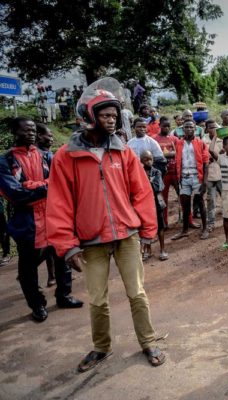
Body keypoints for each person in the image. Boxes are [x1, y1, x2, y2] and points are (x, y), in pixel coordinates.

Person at [47, 87, 165, 371]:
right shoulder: (66, 156)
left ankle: (148, 341)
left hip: (127, 236)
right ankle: (101, 347)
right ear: (90, 116)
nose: (112, 120)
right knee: (97, 299)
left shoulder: (122, 151)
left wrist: (148, 229)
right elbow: (59, 202)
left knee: (137, 293)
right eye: (106, 115)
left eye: (114, 115)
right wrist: (67, 244)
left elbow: (141, 192)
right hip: (91, 241)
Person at [0, 117, 83, 322]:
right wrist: (46, 186)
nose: (31, 134)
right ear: (15, 132)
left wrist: (31, 185)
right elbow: (16, 193)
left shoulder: (47, 156)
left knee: (62, 259)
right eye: (25, 130)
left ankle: (64, 296)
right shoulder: (6, 160)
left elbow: (62, 182)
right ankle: (37, 304)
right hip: (26, 222)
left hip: (53, 217)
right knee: (28, 268)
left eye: (33, 130)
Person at [171, 120, 209, 241]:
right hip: (184, 178)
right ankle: (185, 230)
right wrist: (177, 180)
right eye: (186, 127)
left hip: (197, 177)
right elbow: (177, 161)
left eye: (191, 127)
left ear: (195, 129)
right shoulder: (179, 143)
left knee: (200, 202)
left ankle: (205, 228)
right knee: (185, 204)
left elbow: (206, 163)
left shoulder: (200, 143)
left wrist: (204, 182)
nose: (188, 129)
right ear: (183, 129)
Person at [35, 123, 57, 286]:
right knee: (49, 244)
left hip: (51, 203)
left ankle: (53, 276)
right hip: (43, 205)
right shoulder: (39, 156)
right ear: (38, 136)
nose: (51, 138)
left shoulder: (48, 154)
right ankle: (28, 269)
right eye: (48, 135)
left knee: (51, 244)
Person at [140, 151, 168, 261]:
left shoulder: (156, 172)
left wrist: (146, 183)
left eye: (150, 159)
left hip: (157, 203)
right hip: (145, 205)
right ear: (141, 161)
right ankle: (148, 250)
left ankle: (162, 249)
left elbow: (158, 187)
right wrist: (149, 182)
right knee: (146, 227)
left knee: (160, 227)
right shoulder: (139, 172)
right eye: (146, 159)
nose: (149, 161)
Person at [153, 117, 178, 228]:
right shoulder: (154, 140)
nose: (167, 128)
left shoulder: (174, 139)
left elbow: (179, 153)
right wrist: (171, 153)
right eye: (164, 126)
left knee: (183, 196)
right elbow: (155, 156)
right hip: (162, 173)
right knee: (163, 199)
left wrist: (165, 154)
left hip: (175, 171)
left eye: (168, 126)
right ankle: (164, 223)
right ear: (160, 126)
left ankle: (189, 220)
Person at [202, 119, 222, 233]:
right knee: (211, 200)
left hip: (222, 173)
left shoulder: (222, 139)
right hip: (209, 174)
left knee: (226, 197)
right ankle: (211, 222)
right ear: (206, 129)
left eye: (215, 127)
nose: (213, 129)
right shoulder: (203, 141)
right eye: (210, 127)